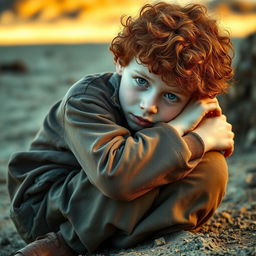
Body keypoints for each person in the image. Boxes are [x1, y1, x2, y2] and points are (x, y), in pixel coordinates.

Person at [8, 1, 234, 255]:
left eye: (171, 96)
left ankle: (107, 240)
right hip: (47, 205)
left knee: (211, 169)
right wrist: (197, 138)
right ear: (121, 63)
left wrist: (200, 139)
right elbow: (115, 175)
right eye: (141, 81)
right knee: (134, 169)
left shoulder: (169, 108)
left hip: (121, 197)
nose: (149, 106)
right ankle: (63, 244)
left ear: (194, 100)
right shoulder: (86, 98)